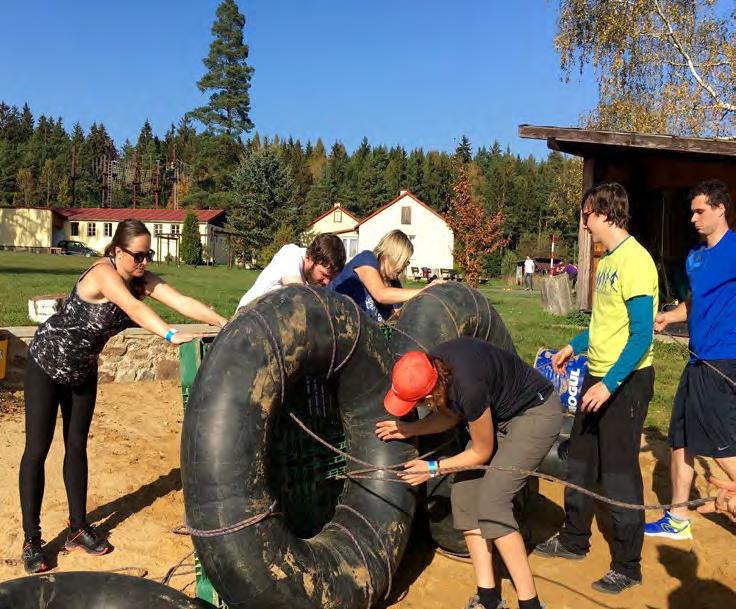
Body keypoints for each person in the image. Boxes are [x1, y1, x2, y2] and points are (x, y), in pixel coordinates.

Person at [19, 219, 229, 574]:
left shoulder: (139, 279)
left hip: (82, 371)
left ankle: (77, 528)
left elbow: (180, 300)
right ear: (116, 251)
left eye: (148, 255)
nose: (144, 263)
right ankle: (31, 540)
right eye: (137, 256)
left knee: (77, 446)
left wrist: (224, 322)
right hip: (47, 362)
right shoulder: (103, 275)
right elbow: (133, 310)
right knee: (38, 450)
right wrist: (168, 334)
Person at [534, 183, 658, 594]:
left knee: (620, 472)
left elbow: (640, 336)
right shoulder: (607, 263)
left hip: (625, 382)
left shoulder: (637, 262)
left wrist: (609, 384)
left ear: (605, 213)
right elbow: (605, 324)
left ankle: (628, 564)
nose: (584, 223)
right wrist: (574, 346)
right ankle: (574, 539)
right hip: (599, 376)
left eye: (587, 214)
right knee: (581, 461)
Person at [377, 338, 562, 609]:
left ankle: (530, 603)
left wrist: (432, 468)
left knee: (493, 502)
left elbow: (481, 452)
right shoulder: (433, 367)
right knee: (464, 494)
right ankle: (487, 598)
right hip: (500, 416)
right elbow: (450, 415)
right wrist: (410, 429)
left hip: (535, 412)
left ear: (429, 396)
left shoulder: (468, 386)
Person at [644, 180, 736, 540]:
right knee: (679, 438)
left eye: (700, 211)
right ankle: (678, 517)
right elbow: (696, 302)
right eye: (692, 212)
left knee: (721, 444)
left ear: (720, 209)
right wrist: (671, 316)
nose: (694, 218)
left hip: (722, 361)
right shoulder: (695, 257)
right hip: (696, 360)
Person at [329, 229, 441, 323]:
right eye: (404, 261)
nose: (404, 267)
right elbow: (381, 294)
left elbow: (397, 320)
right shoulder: (366, 260)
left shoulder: (394, 285)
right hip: (328, 320)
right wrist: (425, 290)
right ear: (392, 256)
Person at [235, 233, 346, 311]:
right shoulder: (291, 254)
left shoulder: (313, 280)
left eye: (331, 278)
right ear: (311, 258)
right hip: (246, 320)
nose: (327, 282)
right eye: (324, 275)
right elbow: (297, 292)